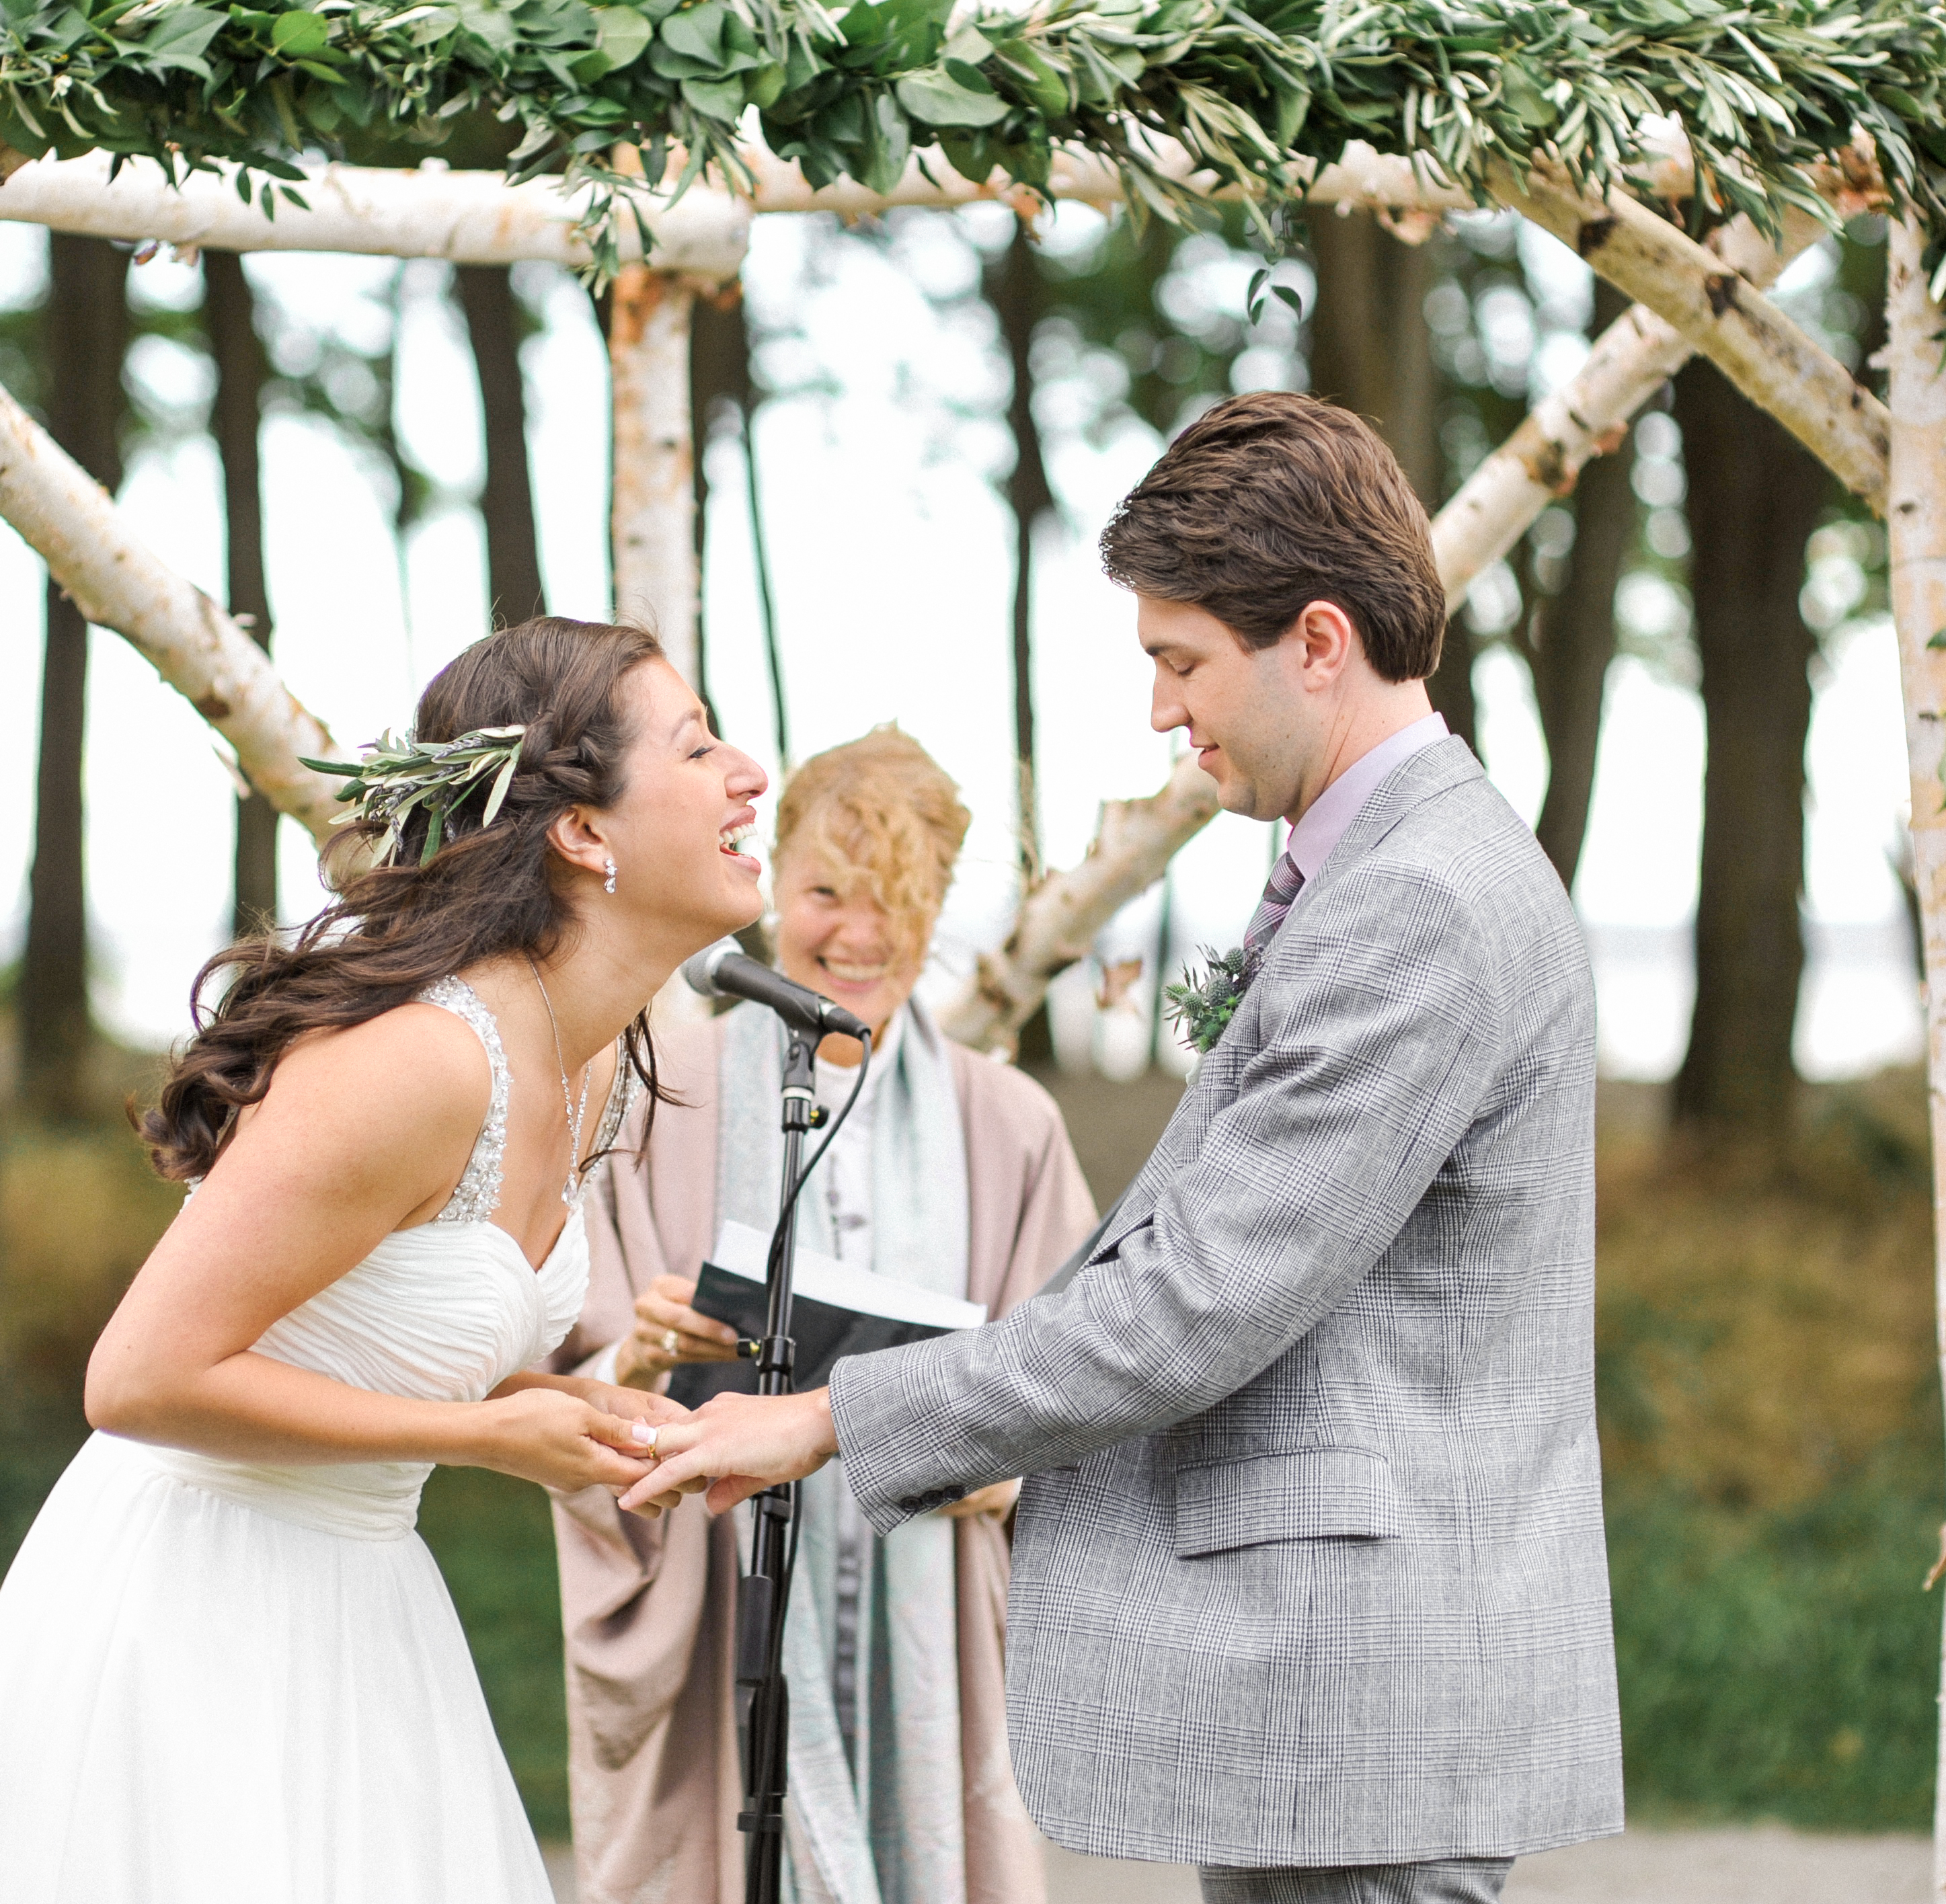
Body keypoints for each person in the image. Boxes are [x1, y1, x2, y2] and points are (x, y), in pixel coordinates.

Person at [626, 391, 1623, 1904]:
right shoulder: (1388, 867)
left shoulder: (1416, 900)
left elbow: (1199, 1301)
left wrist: (832, 1418)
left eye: (1180, 663)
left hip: (1362, 1685)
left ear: (1318, 639)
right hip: (1328, 1702)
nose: (1163, 711)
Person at [0, 617, 771, 1904]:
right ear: (583, 833)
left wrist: (553, 1405)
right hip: (190, 1611)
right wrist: (481, 1442)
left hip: (368, 1607)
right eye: (698, 747)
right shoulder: (416, 1062)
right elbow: (136, 1381)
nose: (750, 773)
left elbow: (370, 1341)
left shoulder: (595, 1065)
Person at [551, 725, 1096, 1904]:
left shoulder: (1010, 1127)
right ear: (767, 879)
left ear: (941, 903)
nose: (857, 933)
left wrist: (968, 1451)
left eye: (897, 898)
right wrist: (640, 1349)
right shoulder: (661, 1093)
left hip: (932, 1622)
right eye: (824, 891)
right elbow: (564, 1393)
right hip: (720, 1610)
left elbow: (1084, 1405)